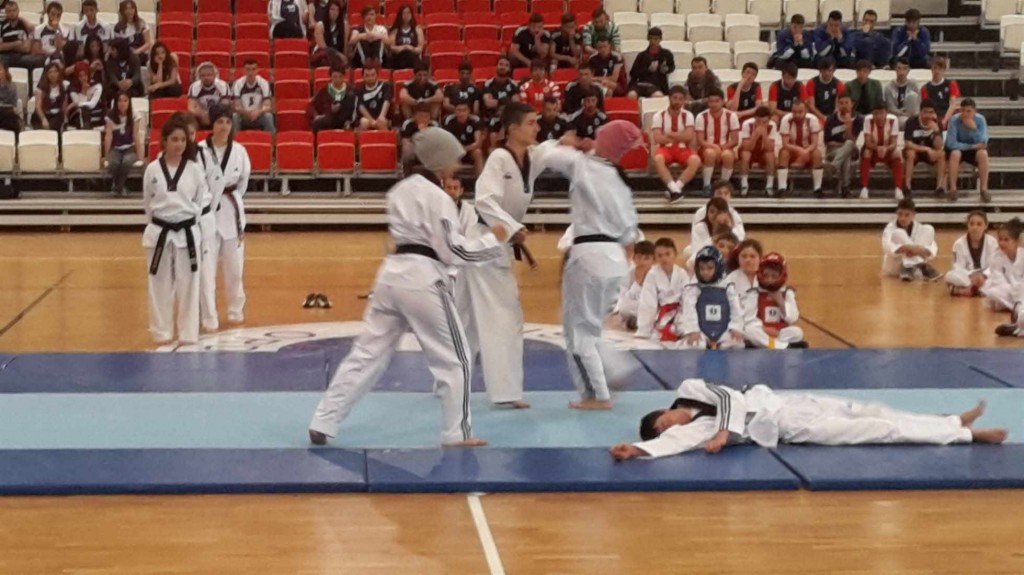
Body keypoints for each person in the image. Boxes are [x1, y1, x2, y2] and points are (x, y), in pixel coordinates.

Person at [308, 127, 509, 447]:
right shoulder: (439, 198)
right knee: (456, 359)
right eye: (454, 158)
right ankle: (457, 433)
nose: (458, 165)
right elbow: (453, 251)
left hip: (390, 275)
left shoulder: (399, 191)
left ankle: (323, 419)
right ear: (439, 160)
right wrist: (492, 241)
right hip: (423, 279)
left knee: (366, 354)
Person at [609, 379, 1006, 461]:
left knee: (875, 411)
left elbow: (729, 396)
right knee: (878, 430)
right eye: (663, 432)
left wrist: (726, 431)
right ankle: (967, 436)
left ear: (664, 410)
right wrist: (638, 449)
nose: (670, 428)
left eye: (663, 423)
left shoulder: (689, 389)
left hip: (787, 401)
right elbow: (674, 445)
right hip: (792, 428)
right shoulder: (695, 432)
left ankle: (951, 420)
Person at [458, 102, 550, 408]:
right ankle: (506, 393)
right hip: (486, 241)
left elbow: (554, 151)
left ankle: (448, 381)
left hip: (489, 242)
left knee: (467, 318)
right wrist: (512, 228)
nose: (537, 127)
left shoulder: (531, 157)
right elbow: (484, 200)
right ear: (512, 128)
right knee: (505, 315)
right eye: (531, 123)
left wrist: (574, 145)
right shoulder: (498, 158)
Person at [548, 120, 642, 409]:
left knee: (579, 332)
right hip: (616, 257)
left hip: (589, 254)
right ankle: (612, 368)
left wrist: (566, 142)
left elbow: (546, 155)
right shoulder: (618, 180)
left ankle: (598, 395)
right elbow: (630, 233)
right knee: (589, 326)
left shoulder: (585, 165)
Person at [142, 117, 206, 345]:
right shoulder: (152, 169)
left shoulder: (195, 170)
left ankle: (188, 333)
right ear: (164, 141)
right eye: (174, 139)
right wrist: (160, 222)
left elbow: (199, 202)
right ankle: (162, 332)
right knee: (158, 284)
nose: (179, 144)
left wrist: (186, 220)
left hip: (187, 231)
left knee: (189, 285)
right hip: (159, 231)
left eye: (182, 140)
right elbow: (147, 202)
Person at [173, 111, 226, 334]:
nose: (189, 138)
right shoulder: (170, 159)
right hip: (180, 222)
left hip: (203, 218)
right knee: (183, 274)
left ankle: (210, 319)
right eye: (185, 134)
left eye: (192, 133)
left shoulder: (204, 155)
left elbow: (217, 184)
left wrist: (207, 210)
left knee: (206, 272)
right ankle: (188, 319)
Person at [200, 108, 252, 326]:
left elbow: (243, 182)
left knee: (235, 268)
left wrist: (228, 196)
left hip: (231, 210)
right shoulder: (199, 150)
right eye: (220, 122)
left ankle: (235, 311)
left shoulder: (239, 151)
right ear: (212, 125)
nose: (224, 126)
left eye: (227, 122)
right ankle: (208, 316)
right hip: (207, 213)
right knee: (206, 270)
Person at [676, 246, 744, 350]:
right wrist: (693, 330)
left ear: (718, 267)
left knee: (737, 344)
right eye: (702, 268)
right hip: (701, 329)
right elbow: (689, 309)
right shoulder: (694, 287)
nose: (705, 272)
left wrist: (735, 327)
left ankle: (718, 346)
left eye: (710, 268)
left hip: (723, 328)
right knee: (695, 346)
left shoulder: (728, 286)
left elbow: (736, 308)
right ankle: (706, 345)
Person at [743, 253, 807, 349]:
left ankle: (768, 344)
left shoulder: (787, 292)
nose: (769, 280)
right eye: (766, 276)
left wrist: (780, 301)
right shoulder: (754, 292)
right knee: (749, 330)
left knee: (798, 332)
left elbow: (792, 318)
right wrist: (765, 329)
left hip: (779, 332)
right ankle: (782, 346)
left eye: (774, 276)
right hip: (762, 330)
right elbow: (749, 318)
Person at [652, 85, 700, 202]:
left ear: (684, 100)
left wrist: (669, 134)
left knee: (695, 160)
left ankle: (676, 188)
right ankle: (674, 188)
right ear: (669, 98)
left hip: (683, 149)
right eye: (675, 98)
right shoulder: (659, 115)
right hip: (666, 149)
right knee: (658, 158)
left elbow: (689, 136)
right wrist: (680, 136)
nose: (677, 101)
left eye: (680, 99)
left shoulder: (688, 115)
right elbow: (657, 138)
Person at [635, 237, 689, 342]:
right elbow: (648, 302)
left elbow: (687, 297)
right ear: (655, 257)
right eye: (660, 255)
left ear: (675, 254)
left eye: (667, 254)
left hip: (680, 312)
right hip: (661, 313)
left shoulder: (682, 274)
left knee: (684, 328)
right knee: (659, 333)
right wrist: (644, 329)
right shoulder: (652, 274)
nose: (664, 258)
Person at [881, 198, 940, 281]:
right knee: (898, 233)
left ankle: (909, 267)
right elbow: (888, 248)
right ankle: (922, 267)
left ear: (913, 214)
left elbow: (932, 249)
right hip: (894, 268)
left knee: (929, 229)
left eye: (907, 215)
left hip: (915, 270)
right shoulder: (890, 228)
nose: (902, 218)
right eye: (900, 214)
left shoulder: (919, 227)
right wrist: (910, 248)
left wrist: (920, 250)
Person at [695, 88, 739, 196]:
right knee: (710, 153)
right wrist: (714, 147)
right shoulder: (701, 116)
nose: (713, 104)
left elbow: (735, 140)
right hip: (706, 147)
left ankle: (723, 185)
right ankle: (706, 185)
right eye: (711, 101)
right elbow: (700, 140)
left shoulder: (731, 116)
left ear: (723, 101)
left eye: (717, 101)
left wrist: (722, 148)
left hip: (726, 146)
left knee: (728, 156)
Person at [945, 98, 991, 203]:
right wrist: (971, 146)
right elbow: (950, 143)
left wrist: (974, 129)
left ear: (974, 111)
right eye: (963, 110)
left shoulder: (980, 120)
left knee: (983, 154)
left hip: (974, 150)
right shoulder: (954, 120)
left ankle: (984, 189)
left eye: (968, 111)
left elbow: (983, 142)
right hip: (960, 149)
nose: (965, 114)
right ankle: (953, 189)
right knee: (955, 154)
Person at [946, 210, 998, 297]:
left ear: (985, 226)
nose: (975, 227)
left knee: (999, 275)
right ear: (968, 225)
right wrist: (971, 275)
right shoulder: (959, 243)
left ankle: (959, 290)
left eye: (979, 224)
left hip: (985, 277)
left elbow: (995, 266)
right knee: (949, 275)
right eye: (972, 224)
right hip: (968, 278)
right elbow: (958, 267)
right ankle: (980, 290)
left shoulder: (992, 242)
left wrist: (983, 275)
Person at [778, 99, 824, 197]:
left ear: (806, 111)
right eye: (794, 112)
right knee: (783, 153)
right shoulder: (786, 120)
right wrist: (800, 151)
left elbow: (814, 143)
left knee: (817, 154)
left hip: (808, 149)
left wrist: (806, 151)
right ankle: (782, 188)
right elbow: (785, 144)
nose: (797, 115)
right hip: (792, 150)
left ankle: (817, 188)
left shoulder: (812, 119)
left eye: (800, 112)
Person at [860, 102, 905, 200]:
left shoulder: (893, 120)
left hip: (887, 150)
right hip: (873, 150)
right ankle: (864, 187)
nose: (879, 116)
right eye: (876, 113)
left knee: (896, 153)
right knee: (866, 152)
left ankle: (898, 188)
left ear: (886, 113)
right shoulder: (868, 120)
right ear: (872, 113)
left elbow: (894, 143)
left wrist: (886, 148)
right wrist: (877, 148)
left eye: (881, 113)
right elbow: (867, 142)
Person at [903, 99, 946, 199]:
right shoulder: (911, 122)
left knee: (942, 154)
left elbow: (939, 146)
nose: (928, 115)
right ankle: (907, 186)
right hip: (915, 151)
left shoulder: (937, 123)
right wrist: (926, 149)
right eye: (925, 112)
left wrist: (936, 131)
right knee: (910, 153)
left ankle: (939, 187)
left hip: (930, 153)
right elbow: (908, 144)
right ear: (920, 111)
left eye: (931, 112)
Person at [609, 240, 655, 331]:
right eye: (639, 257)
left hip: (653, 307)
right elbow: (624, 297)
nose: (642, 262)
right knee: (624, 308)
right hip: (636, 306)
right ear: (634, 258)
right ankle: (638, 321)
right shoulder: (629, 274)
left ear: (654, 260)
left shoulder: (657, 274)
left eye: (646, 258)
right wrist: (637, 283)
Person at [104, 91, 143, 197]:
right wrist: (106, 155)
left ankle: (117, 188)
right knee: (114, 163)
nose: (122, 103)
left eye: (125, 101)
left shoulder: (135, 116)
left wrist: (140, 155)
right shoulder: (110, 117)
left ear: (129, 102)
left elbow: (136, 135)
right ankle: (121, 187)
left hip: (130, 148)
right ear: (116, 103)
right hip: (115, 148)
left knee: (126, 162)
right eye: (120, 101)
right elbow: (108, 136)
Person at [823, 93, 862, 198]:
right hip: (833, 151)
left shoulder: (858, 119)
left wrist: (848, 125)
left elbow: (853, 140)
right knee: (846, 154)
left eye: (846, 103)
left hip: (852, 151)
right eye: (841, 103)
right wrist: (843, 147)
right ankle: (845, 188)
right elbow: (828, 142)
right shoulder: (831, 119)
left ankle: (833, 167)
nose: (844, 105)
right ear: (837, 105)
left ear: (852, 104)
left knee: (848, 145)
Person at [980, 218, 1023, 312]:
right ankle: (1018, 308)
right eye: (1000, 239)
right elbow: (998, 281)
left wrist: (1018, 288)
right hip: (1007, 292)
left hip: (1020, 290)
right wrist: (1013, 289)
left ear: (1016, 241)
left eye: (1006, 240)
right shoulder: (995, 257)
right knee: (992, 293)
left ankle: (1013, 307)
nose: (1001, 243)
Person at [738, 106, 778, 196]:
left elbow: (770, 148)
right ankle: (744, 185)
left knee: (770, 156)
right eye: (758, 122)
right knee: (745, 155)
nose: (761, 124)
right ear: (755, 118)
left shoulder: (772, 125)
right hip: (750, 150)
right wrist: (755, 136)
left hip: (763, 151)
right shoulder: (747, 124)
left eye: (764, 122)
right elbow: (746, 147)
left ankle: (769, 186)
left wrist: (764, 135)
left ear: (769, 120)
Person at [685, 196, 734, 269]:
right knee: (690, 257)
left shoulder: (729, 225)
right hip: (704, 253)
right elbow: (698, 249)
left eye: (719, 212)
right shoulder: (700, 227)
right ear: (707, 212)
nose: (714, 215)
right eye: (711, 211)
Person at [309, 64, 358, 132]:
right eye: (335, 77)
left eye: (340, 76)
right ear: (330, 77)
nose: (338, 79)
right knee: (317, 123)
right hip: (329, 118)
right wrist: (316, 115)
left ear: (344, 76)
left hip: (346, 120)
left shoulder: (350, 90)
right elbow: (312, 106)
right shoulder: (324, 90)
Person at [627, 27, 673, 99]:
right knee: (631, 95)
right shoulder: (641, 55)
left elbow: (671, 67)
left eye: (656, 39)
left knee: (658, 96)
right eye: (651, 38)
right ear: (648, 39)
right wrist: (647, 70)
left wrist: (666, 69)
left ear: (660, 39)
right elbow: (633, 73)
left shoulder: (666, 54)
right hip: (640, 84)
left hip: (657, 85)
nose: (653, 42)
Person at [231, 59, 275, 133]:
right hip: (244, 115)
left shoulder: (263, 83)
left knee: (268, 116)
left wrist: (258, 112)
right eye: (248, 69)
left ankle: (271, 138)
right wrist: (247, 113)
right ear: (243, 71)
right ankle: (234, 138)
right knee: (235, 116)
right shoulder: (238, 83)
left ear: (257, 70)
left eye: (253, 69)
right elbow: (237, 106)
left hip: (259, 115)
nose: (250, 73)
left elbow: (268, 105)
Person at [442, 101, 484, 174]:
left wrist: (464, 149)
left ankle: (481, 177)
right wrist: (458, 150)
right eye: (459, 110)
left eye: (464, 110)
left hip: (470, 150)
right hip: (455, 150)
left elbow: (478, 143)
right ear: (455, 111)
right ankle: (452, 178)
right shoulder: (449, 121)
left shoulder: (475, 120)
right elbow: (446, 141)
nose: (461, 113)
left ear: (469, 111)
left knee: (478, 152)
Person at [187, 62, 231, 129]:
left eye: (209, 75)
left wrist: (211, 116)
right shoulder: (194, 86)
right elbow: (191, 107)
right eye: (203, 75)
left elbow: (225, 105)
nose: (206, 78)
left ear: (215, 75)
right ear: (199, 76)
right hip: (201, 115)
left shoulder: (223, 85)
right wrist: (203, 114)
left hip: (218, 115)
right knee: (190, 117)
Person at [920, 57, 959, 129]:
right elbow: (925, 108)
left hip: (947, 114)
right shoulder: (925, 88)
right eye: (935, 68)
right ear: (931, 69)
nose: (937, 71)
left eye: (940, 69)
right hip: (933, 115)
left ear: (944, 70)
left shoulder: (951, 84)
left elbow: (953, 104)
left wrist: (945, 120)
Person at [803, 58, 844, 125]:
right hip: (815, 115)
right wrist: (823, 117)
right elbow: (811, 106)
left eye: (830, 70)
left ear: (834, 71)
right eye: (824, 70)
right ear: (820, 70)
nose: (827, 73)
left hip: (832, 115)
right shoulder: (811, 83)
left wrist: (831, 118)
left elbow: (837, 106)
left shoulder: (839, 84)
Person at [32, 61, 69, 131]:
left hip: (57, 115)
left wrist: (65, 118)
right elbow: (38, 107)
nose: (53, 74)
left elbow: (64, 107)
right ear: (46, 74)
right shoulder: (40, 89)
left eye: (55, 71)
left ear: (59, 73)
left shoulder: (64, 86)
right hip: (43, 115)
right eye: (50, 72)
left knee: (55, 125)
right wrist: (43, 119)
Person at [31, 2, 70, 67]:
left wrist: (57, 31)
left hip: (59, 56)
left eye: (58, 15)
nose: (55, 17)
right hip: (44, 56)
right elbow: (36, 50)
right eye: (53, 14)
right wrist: (50, 54)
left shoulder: (65, 30)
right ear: (48, 14)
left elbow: (59, 48)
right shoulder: (39, 29)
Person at [885, 58, 920, 129]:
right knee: (904, 122)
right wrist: (901, 113)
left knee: (912, 95)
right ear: (895, 69)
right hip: (896, 116)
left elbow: (918, 102)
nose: (902, 72)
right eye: (899, 68)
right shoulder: (889, 87)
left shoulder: (913, 84)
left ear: (908, 70)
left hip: (912, 114)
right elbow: (891, 107)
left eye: (904, 69)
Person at [113, 0, 152, 66]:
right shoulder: (118, 27)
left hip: (140, 53)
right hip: (125, 54)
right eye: (126, 9)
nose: (129, 11)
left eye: (131, 8)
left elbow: (148, 43)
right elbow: (117, 45)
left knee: (134, 59)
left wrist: (136, 52)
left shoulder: (142, 24)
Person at [310, 0, 347, 69]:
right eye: (332, 9)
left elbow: (345, 45)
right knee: (327, 60)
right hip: (323, 54)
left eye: (337, 10)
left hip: (337, 53)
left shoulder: (344, 25)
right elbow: (322, 46)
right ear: (327, 10)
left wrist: (345, 56)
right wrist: (338, 54)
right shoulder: (320, 25)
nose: (334, 13)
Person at [0, 1, 36, 70]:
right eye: (9, 11)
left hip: (21, 57)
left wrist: (7, 46)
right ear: (6, 13)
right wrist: (16, 43)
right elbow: (0, 47)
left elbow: (26, 49)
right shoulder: (2, 26)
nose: (12, 13)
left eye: (14, 10)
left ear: (18, 11)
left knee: (33, 60)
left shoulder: (24, 25)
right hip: (5, 56)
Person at [68, 60, 103, 129]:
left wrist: (73, 104)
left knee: (84, 110)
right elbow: (78, 107)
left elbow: (92, 105)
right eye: (80, 76)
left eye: (85, 75)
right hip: (78, 115)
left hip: (95, 113)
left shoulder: (97, 86)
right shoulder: (72, 88)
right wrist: (83, 92)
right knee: (82, 111)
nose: (83, 78)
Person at [355, 64, 391, 131]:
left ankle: (386, 138)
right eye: (367, 76)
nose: (370, 78)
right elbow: (361, 107)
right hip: (367, 118)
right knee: (364, 122)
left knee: (381, 121)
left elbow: (386, 101)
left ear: (377, 75)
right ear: (363, 77)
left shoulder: (385, 86)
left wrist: (381, 116)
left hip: (382, 116)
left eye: (372, 75)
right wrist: (372, 121)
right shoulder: (359, 90)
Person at [388, 5, 423, 71]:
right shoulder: (395, 30)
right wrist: (404, 47)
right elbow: (391, 47)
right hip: (398, 57)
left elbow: (420, 48)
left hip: (413, 57)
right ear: (400, 15)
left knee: (409, 55)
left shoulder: (417, 29)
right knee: (405, 54)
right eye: (404, 13)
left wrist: (411, 49)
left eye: (408, 13)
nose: (406, 15)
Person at [0, 60, 19, 133]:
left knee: (10, 117)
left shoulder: (12, 87)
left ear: (5, 71)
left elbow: (13, 105)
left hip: (6, 114)